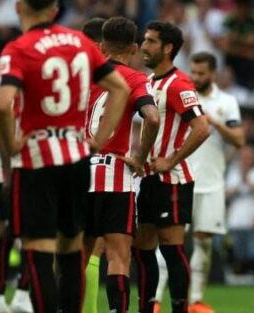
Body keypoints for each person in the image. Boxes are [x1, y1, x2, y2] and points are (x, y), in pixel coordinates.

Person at [0, 0, 131, 312]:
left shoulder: (18, 49)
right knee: (72, 250)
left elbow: (1, 105)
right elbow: (120, 88)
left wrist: (10, 147)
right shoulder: (81, 43)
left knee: (39, 250)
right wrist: (99, 139)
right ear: (55, 11)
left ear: (18, 7)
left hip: (38, 158)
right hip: (77, 156)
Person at [152, 51, 244, 313]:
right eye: (193, 71)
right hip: (180, 178)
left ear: (213, 74)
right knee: (170, 240)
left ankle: (195, 301)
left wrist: (213, 121)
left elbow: (238, 139)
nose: (196, 77)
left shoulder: (226, 102)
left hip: (212, 183)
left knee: (204, 242)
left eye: (202, 73)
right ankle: (156, 299)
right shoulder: (181, 95)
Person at [131, 20, 210, 313]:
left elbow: (202, 128)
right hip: (148, 178)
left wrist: (171, 160)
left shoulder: (179, 84)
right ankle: (147, 307)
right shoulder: (149, 82)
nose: (144, 46)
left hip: (173, 180)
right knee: (142, 247)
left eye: (150, 41)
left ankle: (179, 309)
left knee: (172, 249)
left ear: (167, 48)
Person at [83, 16, 160, 313]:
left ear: (101, 46)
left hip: (80, 173)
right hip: (115, 174)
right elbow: (152, 117)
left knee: (79, 254)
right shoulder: (134, 78)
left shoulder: (84, 76)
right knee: (118, 256)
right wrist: (140, 157)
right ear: (135, 47)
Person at [0, 140, 32, 313]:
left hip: (2, 159)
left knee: (8, 229)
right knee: (23, 231)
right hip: (11, 161)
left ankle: (2, 298)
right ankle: (18, 294)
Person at [79, 16, 106, 313]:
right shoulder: (110, 77)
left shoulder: (71, 74)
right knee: (95, 248)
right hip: (97, 166)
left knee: (69, 248)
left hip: (64, 164)